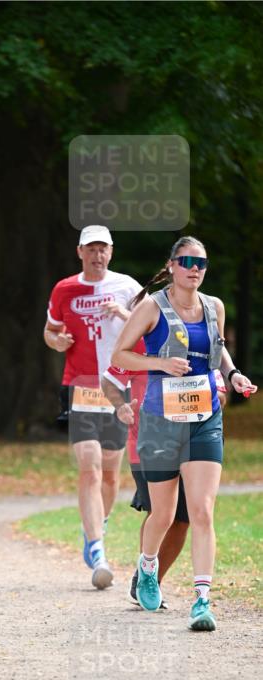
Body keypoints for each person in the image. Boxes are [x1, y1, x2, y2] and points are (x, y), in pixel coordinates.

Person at [111, 236, 257, 631]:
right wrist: (159, 362)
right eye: (187, 261)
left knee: (202, 510)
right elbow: (120, 355)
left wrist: (233, 374)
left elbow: (218, 349)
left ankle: (202, 600)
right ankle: (147, 567)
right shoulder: (151, 307)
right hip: (160, 421)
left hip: (204, 416)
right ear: (172, 265)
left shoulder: (215, 307)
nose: (195, 268)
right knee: (161, 514)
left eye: (201, 263)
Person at [44, 226, 142, 590]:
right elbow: (49, 331)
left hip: (118, 386)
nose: (97, 255)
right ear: (79, 252)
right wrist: (57, 341)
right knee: (89, 466)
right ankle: (98, 550)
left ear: (111, 252)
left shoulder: (129, 288)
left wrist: (121, 313)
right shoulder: (65, 288)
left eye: (103, 249)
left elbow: (148, 332)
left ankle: (96, 527)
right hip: (81, 385)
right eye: (91, 249)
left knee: (112, 475)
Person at [102, 345, 227, 608]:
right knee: (160, 513)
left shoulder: (197, 346)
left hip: (193, 440)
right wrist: (121, 406)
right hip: (148, 440)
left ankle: (151, 582)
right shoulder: (141, 346)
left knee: (184, 519)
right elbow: (109, 379)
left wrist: (215, 391)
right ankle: (144, 577)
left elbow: (219, 390)